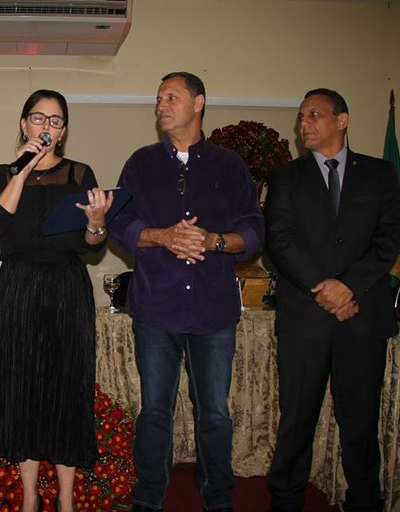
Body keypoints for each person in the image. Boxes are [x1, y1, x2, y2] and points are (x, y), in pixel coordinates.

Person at [107, 71, 264, 512]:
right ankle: (148, 497)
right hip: (156, 308)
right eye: (158, 99)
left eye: (172, 97)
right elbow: (120, 223)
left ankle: (217, 496)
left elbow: (254, 230)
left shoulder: (230, 165)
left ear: (199, 103)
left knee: (214, 412)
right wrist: (163, 236)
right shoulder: (140, 163)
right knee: (155, 410)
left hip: (213, 310)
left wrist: (214, 241)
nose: (161, 105)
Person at [265, 88, 400, 512]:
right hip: (304, 320)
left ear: (342, 121)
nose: (304, 123)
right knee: (296, 420)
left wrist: (349, 287)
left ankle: (364, 500)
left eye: (314, 114)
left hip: (362, 318)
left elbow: (393, 236)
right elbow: (279, 242)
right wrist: (324, 287)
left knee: (361, 423)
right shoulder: (286, 177)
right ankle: (286, 500)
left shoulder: (379, 174)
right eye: (301, 116)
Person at [0, 89, 113, 512]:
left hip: (66, 289)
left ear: (64, 130)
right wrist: (22, 169)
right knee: (22, 387)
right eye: (38, 118)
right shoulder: (1, 174)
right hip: (18, 289)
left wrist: (97, 223)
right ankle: (30, 497)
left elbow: (92, 244)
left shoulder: (79, 173)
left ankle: (66, 500)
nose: (46, 127)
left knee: (67, 389)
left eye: (55, 121)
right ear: (24, 124)